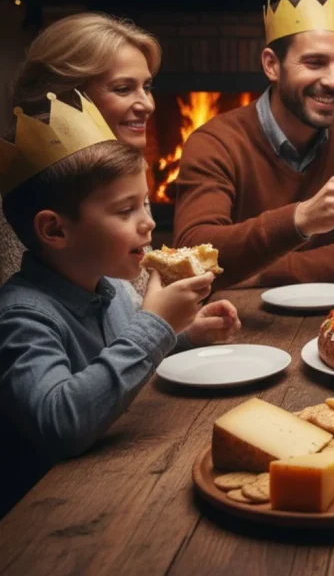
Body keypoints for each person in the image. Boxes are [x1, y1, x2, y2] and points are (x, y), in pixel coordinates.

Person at [0, 92, 240, 515]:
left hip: (125, 474)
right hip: (50, 514)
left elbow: (121, 356)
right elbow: (61, 423)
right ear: (54, 230)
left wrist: (187, 334)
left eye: (145, 202)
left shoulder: (106, 286)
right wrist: (155, 325)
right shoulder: (22, 316)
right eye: (127, 209)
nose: (148, 221)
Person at [173, 0, 334, 289]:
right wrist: (301, 219)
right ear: (272, 65)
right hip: (241, 320)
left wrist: (263, 273)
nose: (333, 80)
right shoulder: (214, 142)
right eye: (314, 63)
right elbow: (194, 252)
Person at [0, 12, 161, 289]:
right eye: (123, 89)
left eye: (146, 87)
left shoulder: (124, 178)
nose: (147, 105)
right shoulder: (22, 197)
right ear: (64, 97)